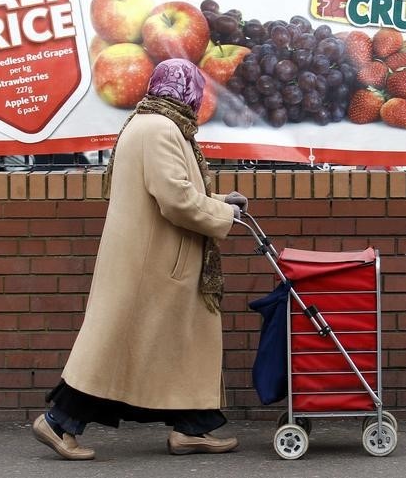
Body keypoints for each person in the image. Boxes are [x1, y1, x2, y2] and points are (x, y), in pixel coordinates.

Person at [32, 58, 249, 460]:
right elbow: (176, 199)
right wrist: (224, 214)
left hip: (156, 259)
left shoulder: (152, 122)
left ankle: (193, 428)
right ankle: (59, 421)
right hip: (155, 263)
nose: (200, 97)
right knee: (117, 347)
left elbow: (176, 190)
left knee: (175, 346)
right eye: (197, 89)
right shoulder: (161, 129)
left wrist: (219, 202)